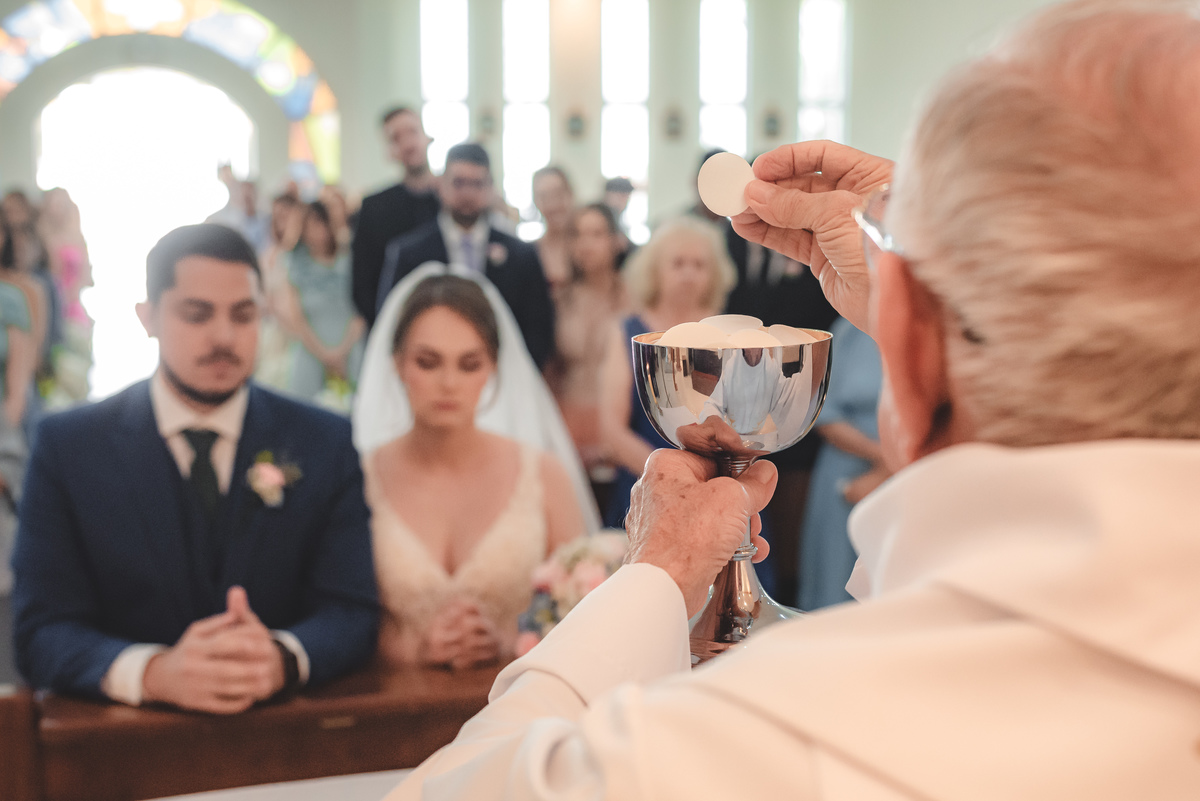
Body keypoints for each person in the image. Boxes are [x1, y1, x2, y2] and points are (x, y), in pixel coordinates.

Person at [386, 1, 1200, 797]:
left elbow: (455, 787)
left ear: (904, 340)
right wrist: (919, 290)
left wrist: (658, 574)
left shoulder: (768, 741)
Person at [12, 223, 378, 713]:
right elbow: (40, 630)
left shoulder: (322, 441)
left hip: (287, 737)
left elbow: (351, 610)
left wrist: (282, 658)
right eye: (197, 314)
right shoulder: (69, 447)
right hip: (124, 743)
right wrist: (153, 672)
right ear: (148, 317)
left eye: (243, 315)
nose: (224, 337)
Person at [358, 274, 583, 668]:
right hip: (393, 696)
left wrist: (513, 641)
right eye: (428, 363)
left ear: (492, 367)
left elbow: (584, 611)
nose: (449, 383)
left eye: (469, 364)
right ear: (397, 362)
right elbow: (337, 615)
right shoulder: (358, 478)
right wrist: (411, 649)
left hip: (520, 692)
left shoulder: (544, 476)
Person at [599, 215, 736, 527]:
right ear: (655, 271)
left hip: (719, 488)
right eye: (678, 263)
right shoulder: (627, 331)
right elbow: (611, 432)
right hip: (646, 483)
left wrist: (707, 482)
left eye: (699, 265)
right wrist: (672, 480)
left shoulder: (731, 331)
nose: (689, 273)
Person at [378, 143, 556, 369]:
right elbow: (394, 323)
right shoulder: (409, 253)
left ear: (490, 188)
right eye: (459, 183)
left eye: (477, 184)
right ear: (441, 185)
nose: (468, 193)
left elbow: (538, 327)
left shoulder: (521, 255)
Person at [798, 316, 884, 611]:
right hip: (845, 466)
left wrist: (891, 469)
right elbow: (821, 409)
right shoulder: (847, 331)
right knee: (834, 578)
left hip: (909, 466)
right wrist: (884, 457)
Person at [547, 203, 628, 475]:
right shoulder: (559, 300)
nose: (586, 244)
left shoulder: (635, 299)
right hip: (566, 418)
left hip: (616, 421)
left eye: (596, 234)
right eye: (578, 235)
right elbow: (550, 371)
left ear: (615, 240)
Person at [352, 107, 441, 325]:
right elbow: (362, 285)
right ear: (390, 151)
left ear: (427, 137)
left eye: (412, 132)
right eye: (396, 138)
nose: (408, 144)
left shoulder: (454, 202)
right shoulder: (374, 208)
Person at [275, 201, 364, 402]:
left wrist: (342, 351)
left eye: (320, 223)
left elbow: (360, 309)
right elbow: (296, 317)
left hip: (350, 343)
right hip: (311, 346)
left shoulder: (349, 257)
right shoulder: (294, 264)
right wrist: (324, 354)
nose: (316, 232)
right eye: (309, 226)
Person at [36, 188, 92, 408]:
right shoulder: (42, 238)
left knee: (79, 376)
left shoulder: (77, 236)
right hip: (51, 313)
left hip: (75, 314)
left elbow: (85, 276)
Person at [531, 166, 576, 290]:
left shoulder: (587, 247)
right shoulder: (530, 255)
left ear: (570, 194)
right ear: (536, 202)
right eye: (544, 197)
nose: (553, 204)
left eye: (558, 194)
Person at [206, 167, 269, 253]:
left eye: (250, 193)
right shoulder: (228, 219)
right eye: (244, 194)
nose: (247, 197)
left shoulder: (266, 220)